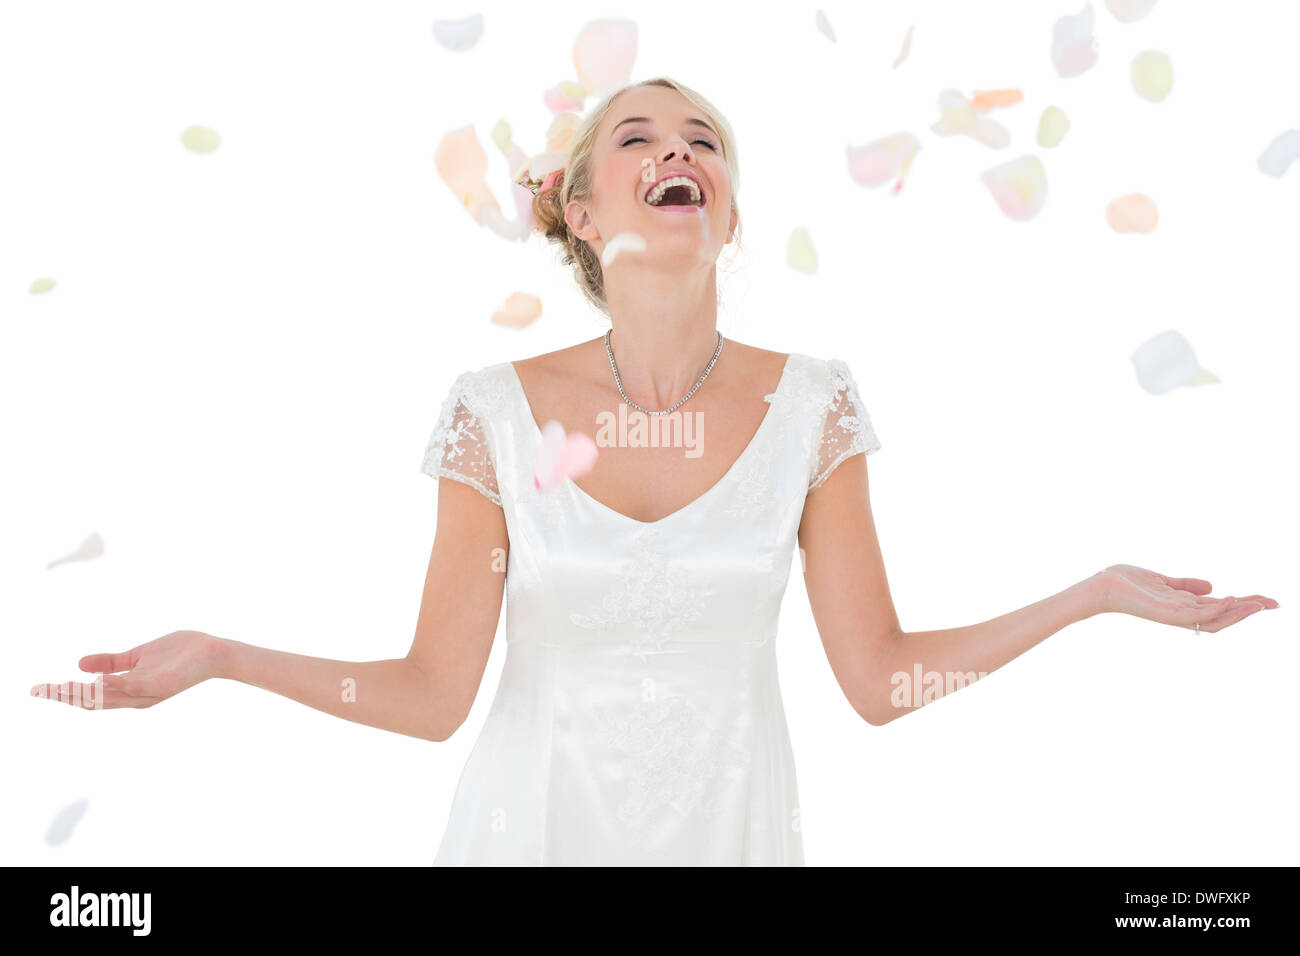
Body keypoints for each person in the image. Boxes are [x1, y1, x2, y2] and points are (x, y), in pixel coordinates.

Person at [30, 77, 1278, 865]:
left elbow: (884, 681)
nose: (679, 150)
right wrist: (224, 658)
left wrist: (1093, 596)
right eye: (638, 136)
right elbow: (425, 693)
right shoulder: (494, 413)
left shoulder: (815, 404)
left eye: (705, 143)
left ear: (725, 212)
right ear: (582, 210)